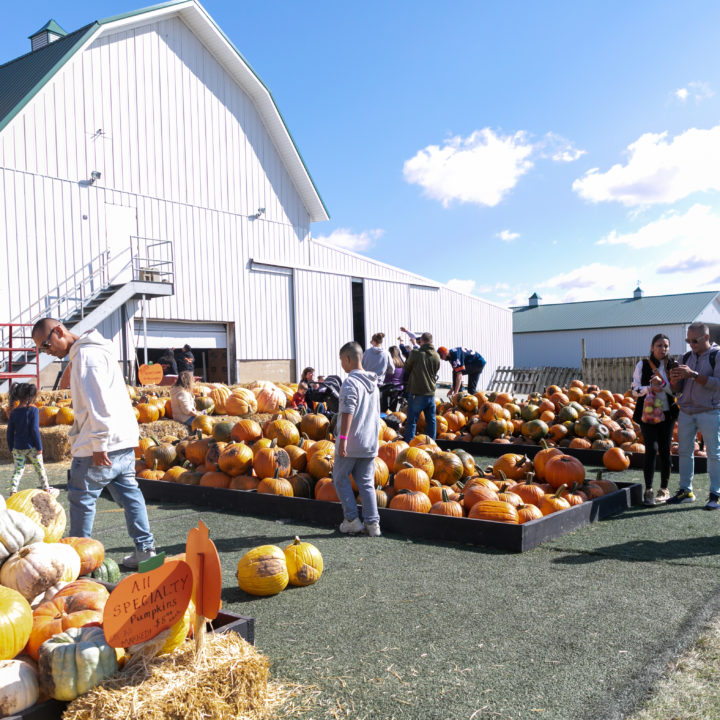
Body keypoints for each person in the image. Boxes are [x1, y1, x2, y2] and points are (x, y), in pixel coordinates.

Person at [32, 318, 156, 568]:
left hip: (99, 444)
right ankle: (146, 551)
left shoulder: (85, 357)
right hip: (122, 440)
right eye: (42, 349)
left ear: (59, 331)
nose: (48, 352)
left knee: (81, 499)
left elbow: (98, 402)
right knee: (131, 496)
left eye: (46, 344)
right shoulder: (99, 349)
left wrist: (99, 444)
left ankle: (79, 560)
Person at [668, 322, 720, 508]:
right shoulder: (685, 356)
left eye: (695, 340)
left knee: (714, 453)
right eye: (688, 340)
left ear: (706, 337)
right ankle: (685, 491)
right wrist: (674, 381)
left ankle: (716, 493)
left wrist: (693, 374)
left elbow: (718, 384)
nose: (691, 344)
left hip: (710, 411)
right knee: (684, 452)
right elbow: (678, 389)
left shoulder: (717, 355)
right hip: (687, 412)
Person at [333, 341, 381, 537]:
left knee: (339, 478)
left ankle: (352, 519)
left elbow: (347, 411)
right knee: (366, 482)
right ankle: (373, 524)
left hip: (352, 441)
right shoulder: (374, 383)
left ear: (348, 359)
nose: (342, 365)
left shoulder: (350, 383)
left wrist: (343, 438)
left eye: (341, 361)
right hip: (370, 441)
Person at [631, 334, 678, 506]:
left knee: (665, 450)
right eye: (659, 345)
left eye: (666, 346)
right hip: (648, 414)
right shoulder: (642, 365)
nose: (662, 349)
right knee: (651, 449)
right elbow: (634, 390)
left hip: (667, 415)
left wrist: (663, 385)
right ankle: (649, 490)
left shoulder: (673, 366)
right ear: (652, 347)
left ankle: (664, 489)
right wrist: (650, 387)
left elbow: (676, 392)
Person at [6, 383, 58, 497]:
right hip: (32, 447)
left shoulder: (13, 412)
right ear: (31, 396)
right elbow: (35, 429)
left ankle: (13, 492)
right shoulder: (33, 410)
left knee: (18, 470)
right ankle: (46, 490)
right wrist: (39, 447)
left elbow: (9, 431)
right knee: (40, 469)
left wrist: (11, 447)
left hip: (17, 447)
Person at [403, 332, 441, 442]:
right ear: (431, 341)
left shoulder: (416, 353)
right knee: (431, 420)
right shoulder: (436, 355)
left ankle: (409, 444)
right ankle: (431, 444)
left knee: (412, 421)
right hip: (430, 392)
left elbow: (407, 368)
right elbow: (435, 370)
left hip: (417, 392)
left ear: (422, 341)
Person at [380, 346, 405, 413]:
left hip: (389, 386)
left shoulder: (389, 363)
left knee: (383, 402)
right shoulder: (402, 363)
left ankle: (384, 413)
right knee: (393, 406)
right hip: (400, 387)